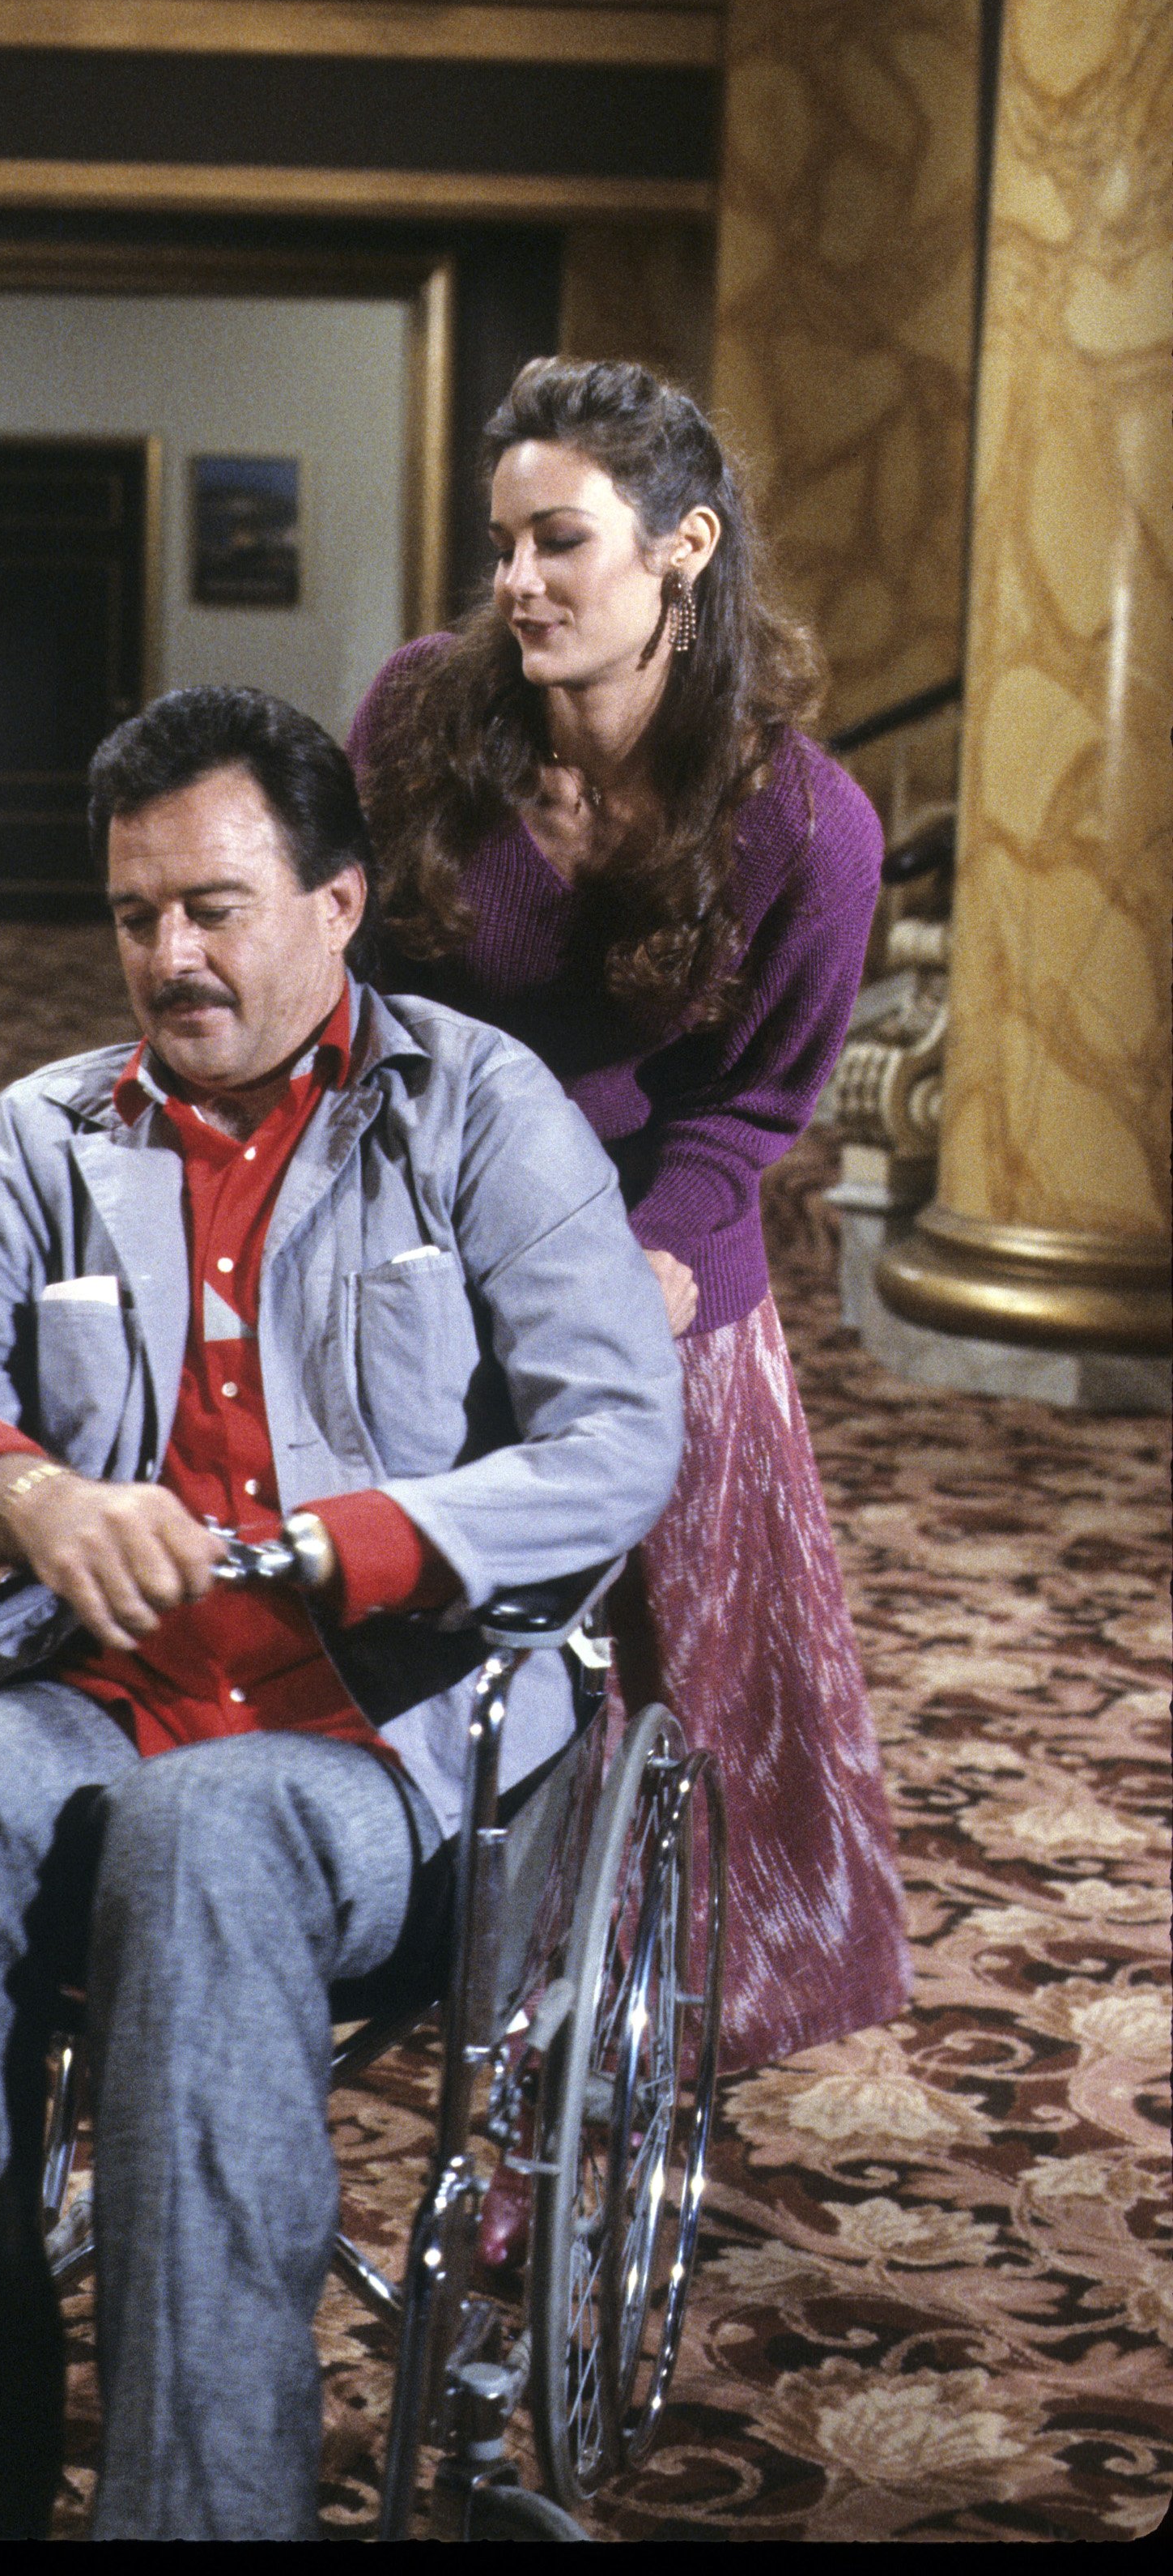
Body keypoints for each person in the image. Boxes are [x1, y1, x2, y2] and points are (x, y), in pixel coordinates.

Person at [0, 686, 682, 2540]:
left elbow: (622, 1439)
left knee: (205, 1834)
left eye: (214, 906)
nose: (170, 957)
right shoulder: (47, 1132)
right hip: (92, 1701)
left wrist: (357, 1541)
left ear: (340, 904)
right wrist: (26, 1495)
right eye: (136, 917)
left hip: (387, 1740)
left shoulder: (475, 1113)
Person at [347, 355, 912, 2076]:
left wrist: (631, 1277)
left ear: (683, 549)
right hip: (429, 1226)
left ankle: (669, 1989)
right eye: (503, 543)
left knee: (672, 1675)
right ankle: (388, 1900)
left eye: (561, 542)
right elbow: (350, 983)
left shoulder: (810, 823)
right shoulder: (417, 721)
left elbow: (749, 1114)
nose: (517, 582)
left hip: (661, 1259)